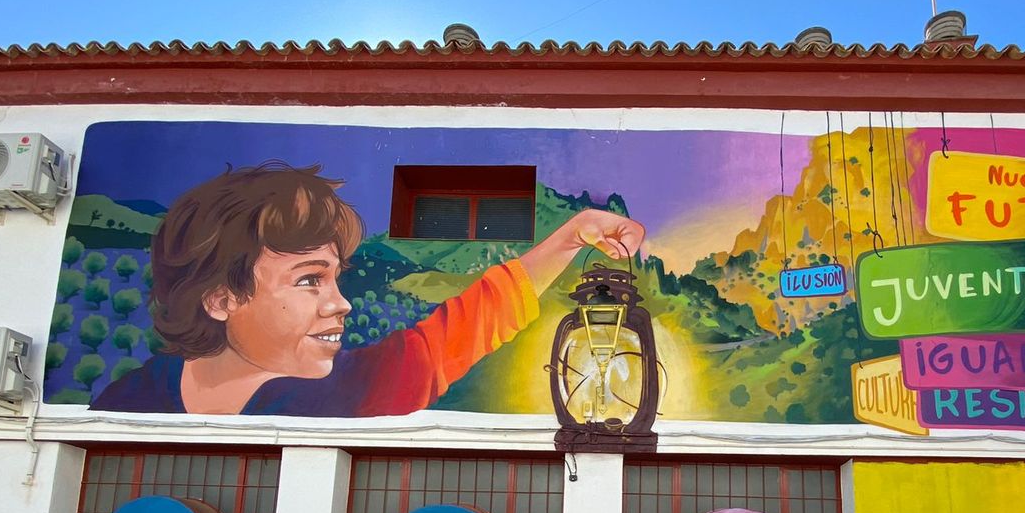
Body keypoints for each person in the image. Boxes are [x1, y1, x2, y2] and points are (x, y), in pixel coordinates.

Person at [91, 162, 645, 417]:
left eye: (336, 277)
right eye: (310, 280)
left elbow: (456, 331)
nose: (341, 304)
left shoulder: (354, 387)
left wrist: (570, 238)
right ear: (220, 299)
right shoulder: (127, 406)